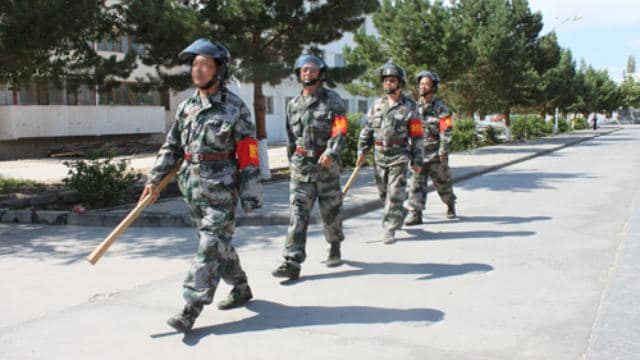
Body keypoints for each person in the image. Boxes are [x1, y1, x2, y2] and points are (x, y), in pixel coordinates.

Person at [139, 38, 263, 333]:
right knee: (219, 245)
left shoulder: (235, 108)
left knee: (209, 247)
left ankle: (190, 308)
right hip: (192, 188)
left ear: (219, 69)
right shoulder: (186, 108)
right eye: (195, 64)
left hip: (222, 190)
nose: (198, 70)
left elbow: (248, 154)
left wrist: (251, 195)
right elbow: (171, 147)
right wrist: (153, 180)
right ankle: (241, 286)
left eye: (205, 64)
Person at [271, 54, 348, 281]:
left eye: (312, 70)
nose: (308, 73)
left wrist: (332, 152)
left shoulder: (333, 100)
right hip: (301, 168)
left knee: (331, 213)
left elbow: (340, 129)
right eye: (304, 70)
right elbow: (290, 138)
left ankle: (334, 244)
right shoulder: (293, 105)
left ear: (320, 73)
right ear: (298, 74)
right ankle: (292, 261)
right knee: (297, 215)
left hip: (326, 168)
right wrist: (291, 163)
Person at [356, 61, 424, 244]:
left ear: (400, 83)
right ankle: (398, 213)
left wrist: (417, 159)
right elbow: (367, 129)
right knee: (383, 194)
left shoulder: (410, 106)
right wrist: (362, 150)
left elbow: (417, 135)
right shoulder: (377, 105)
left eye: (392, 81)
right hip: (379, 155)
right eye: (385, 81)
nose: (388, 84)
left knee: (394, 193)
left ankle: (389, 228)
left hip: (399, 155)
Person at [405, 70, 457, 225]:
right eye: (421, 84)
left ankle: (450, 204)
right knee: (416, 185)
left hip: (435, 154)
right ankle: (415, 214)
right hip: (419, 155)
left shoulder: (440, 107)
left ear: (433, 87)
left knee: (443, 184)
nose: (423, 87)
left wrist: (444, 149)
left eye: (426, 84)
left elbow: (446, 129)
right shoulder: (413, 107)